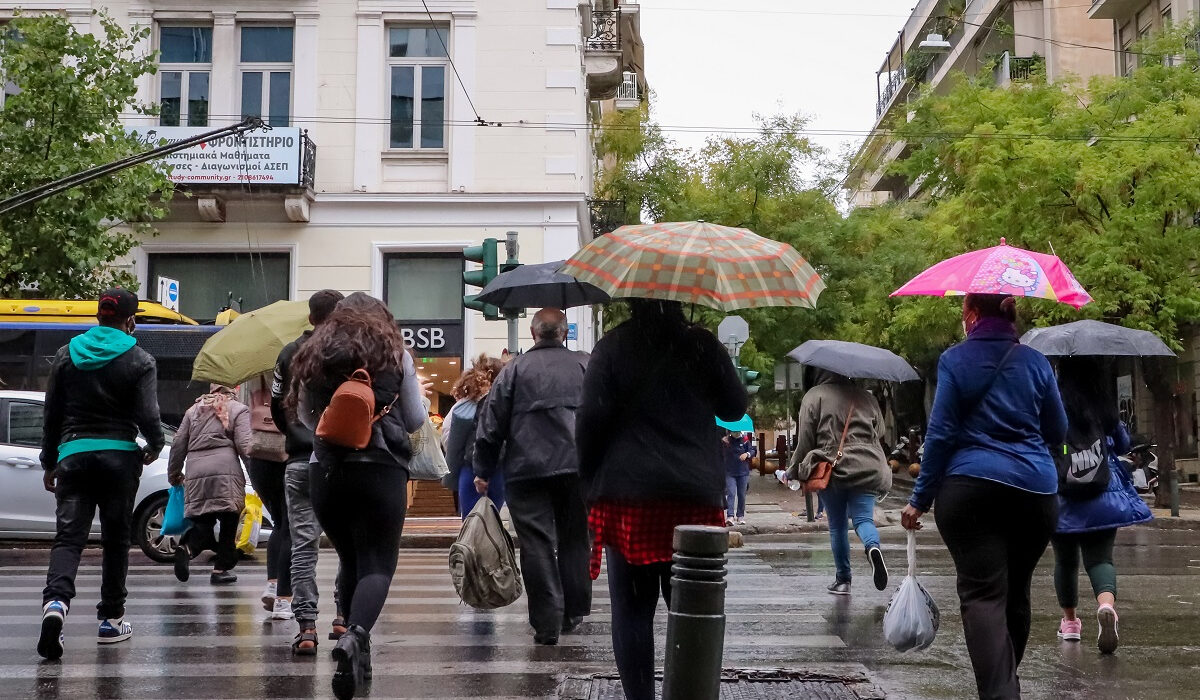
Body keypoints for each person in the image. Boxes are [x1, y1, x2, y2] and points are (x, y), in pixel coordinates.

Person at [577, 299, 747, 700]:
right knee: (693, 609)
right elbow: (736, 406)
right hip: (695, 495)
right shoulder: (703, 345)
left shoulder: (613, 346)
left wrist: (588, 484)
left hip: (629, 493)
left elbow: (589, 420)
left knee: (632, 611)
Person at [901, 294, 1067, 700]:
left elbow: (940, 436)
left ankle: (1000, 692)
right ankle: (1004, 686)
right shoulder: (1036, 362)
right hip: (1034, 491)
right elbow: (1058, 430)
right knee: (1017, 591)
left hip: (970, 490)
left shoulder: (955, 360)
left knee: (982, 594)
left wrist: (919, 499)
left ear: (970, 315)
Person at [290, 293, 426, 700]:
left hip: (326, 470)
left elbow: (304, 416)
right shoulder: (395, 355)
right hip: (381, 468)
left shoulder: (314, 353)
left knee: (349, 559)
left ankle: (356, 653)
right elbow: (417, 417)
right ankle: (354, 637)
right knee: (377, 565)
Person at [37, 288, 165, 659]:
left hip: (73, 456)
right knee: (115, 539)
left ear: (98, 316)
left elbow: (52, 415)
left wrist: (50, 462)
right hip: (119, 460)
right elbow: (148, 414)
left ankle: (55, 607)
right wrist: (154, 446)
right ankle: (111, 619)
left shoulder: (66, 354)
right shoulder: (140, 359)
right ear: (130, 320)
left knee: (69, 539)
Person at [474, 308, 591, 646]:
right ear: (564, 333)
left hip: (527, 470)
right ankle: (573, 611)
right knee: (574, 537)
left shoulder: (515, 370)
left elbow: (490, 425)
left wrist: (483, 469)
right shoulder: (584, 365)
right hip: (577, 468)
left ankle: (546, 622)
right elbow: (603, 415)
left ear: (533, 332)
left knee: (536, 542)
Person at [1051, 357, 1152, 654]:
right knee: (1101, 560)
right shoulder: (1102, 404)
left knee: (1065, 562)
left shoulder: (1053, 400)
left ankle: (1070, 624)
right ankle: (1106, 606)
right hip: (1103, 495)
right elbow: (1122, 445)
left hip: (1063, 496)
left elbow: (1042, 438)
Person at [270, 289, 345, 654]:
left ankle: (306, 628)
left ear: (311, 316)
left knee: (303, 545)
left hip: (301, 460)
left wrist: (299, 436)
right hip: (342, 460)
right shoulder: (347, 353)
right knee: (350, 545)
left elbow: (276, 406)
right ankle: (343, 617)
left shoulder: (288, 353)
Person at [789, 369, 891, 594]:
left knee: (837, 525)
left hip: (833, 467)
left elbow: (805, 438)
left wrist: (794, 470)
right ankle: (872, 547)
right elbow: (880, 430)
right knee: (864, 520)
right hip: (868, 466)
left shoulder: (814, 396)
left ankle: (843, 580)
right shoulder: (867, 397)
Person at [167, 384, 254, 585]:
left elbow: (178, 442)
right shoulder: (238, 409)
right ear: (232, 390)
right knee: (229, 520)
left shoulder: (192, 410)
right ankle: (220, 569)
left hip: (196, 470)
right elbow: (245, 445)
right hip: (226, 470)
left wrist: (174, 473)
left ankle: (187, 547)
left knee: (203, 519)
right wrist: (255, 476)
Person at [244, 374, 294, 621]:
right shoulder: (297, 369)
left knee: (278, 523)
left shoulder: (257, 378)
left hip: (260, 457)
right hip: (286, 455)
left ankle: (273, 584)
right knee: (289, 526)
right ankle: (284, 600)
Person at [443, 353, 505, 518]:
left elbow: (448, 435)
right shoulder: (501, 402)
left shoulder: (464, 404)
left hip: (469, 468)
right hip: (497, 469)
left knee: (470, 525)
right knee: (494, 523)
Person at [723, 432, 755, 526]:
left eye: (737, 431)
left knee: (741, 495)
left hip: (743, 472)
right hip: (729, 472)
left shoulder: (745, 440)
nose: (735, 433)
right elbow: (720, 452)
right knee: (731, 493)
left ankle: (740, 515)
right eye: (733, 431)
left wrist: (747, 454)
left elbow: (753, 451)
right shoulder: (726, 441)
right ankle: (730, 516)